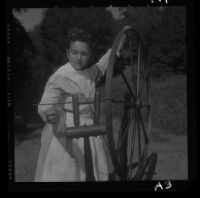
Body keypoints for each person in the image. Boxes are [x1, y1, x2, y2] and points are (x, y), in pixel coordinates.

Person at [35, 27, 127, 182]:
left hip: (89, 126)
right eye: (74, 52)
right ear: (67, 53)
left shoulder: (90, 73)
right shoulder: (60, 76)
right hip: (67, 129)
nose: (79, 58)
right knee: (68, 172)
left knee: (92, 167)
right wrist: (48, 112)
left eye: (84, 54)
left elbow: (106, 61)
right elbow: (47, 101)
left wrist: (122, 37)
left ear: (90, 55)